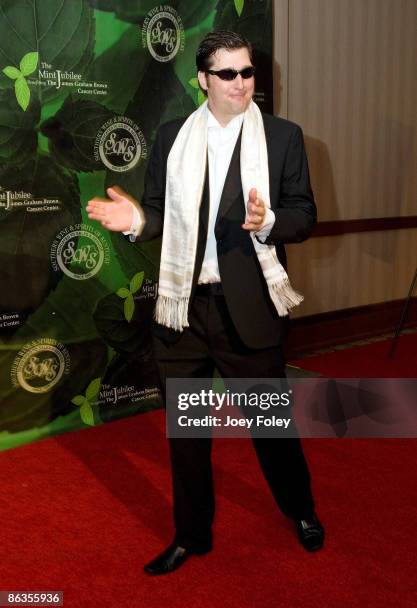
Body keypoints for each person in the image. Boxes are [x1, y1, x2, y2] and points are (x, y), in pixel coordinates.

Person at [87, 30, 324, 575]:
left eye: (248, 72)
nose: (242, 83)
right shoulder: (172, 137)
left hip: (250, 308)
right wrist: (136, 223)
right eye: (228, 74)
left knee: (271, 429)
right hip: (183, 311)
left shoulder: (284, 137)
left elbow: (304, 215)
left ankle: (302, 510)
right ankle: (191, 535)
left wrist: (270, 223)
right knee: (188, 435)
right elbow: (153, 213)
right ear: (203, 80)